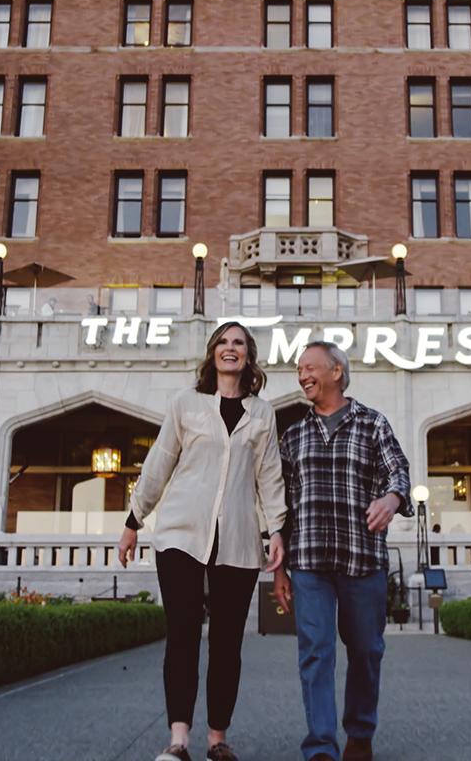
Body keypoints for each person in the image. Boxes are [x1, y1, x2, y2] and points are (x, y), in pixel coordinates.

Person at [118, 321, 286, 761]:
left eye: (239, 344)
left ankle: (217, 738)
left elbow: (269, 476)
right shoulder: (185, 404)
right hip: (180, 535)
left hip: (239, 541)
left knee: (228, 642)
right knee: (183, 635)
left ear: (249, 356)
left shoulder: (262, 413)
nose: (231, 349)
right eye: (224, 343)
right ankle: (178, 739)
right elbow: (158, 463)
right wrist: (134, 519)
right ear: (213, 353)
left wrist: (277, 530)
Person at [274, 341, 413, 761]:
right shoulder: (293, 434)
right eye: (299, 370)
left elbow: (398, 472)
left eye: (310, 367)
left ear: (336, 371)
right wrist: (279, 570)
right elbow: (281, 504)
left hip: (362, 559)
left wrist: (391, 501)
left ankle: (360, 733)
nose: (302, 376)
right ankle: (320, 746)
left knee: (366, 650)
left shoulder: (373, 424)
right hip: (309, 562)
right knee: (316, 651)